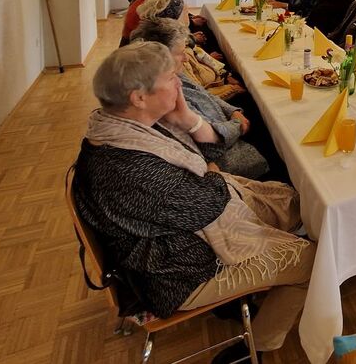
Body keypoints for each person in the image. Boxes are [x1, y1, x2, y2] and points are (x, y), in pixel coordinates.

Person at [72, 43, 314, 357]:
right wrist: (211, 174)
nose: (179, 82)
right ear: (139, 97)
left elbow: (210, 159)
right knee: (310, 260)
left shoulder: (126, 128)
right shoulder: (126, 166)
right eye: (171, 78)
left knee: (292, 203)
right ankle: (254, 348)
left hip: (185, 235)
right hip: (180, 275)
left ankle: (262, 285)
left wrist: (185, 119)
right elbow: (208, 203)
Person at [130, 19, 268, 179]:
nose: (185, 58)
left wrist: (233, 111)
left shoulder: (174, 73)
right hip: (227, 158)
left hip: (226, 127)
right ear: (162, 56)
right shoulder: (165, 96)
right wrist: (238, 124)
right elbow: (212, 144)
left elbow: (205, 93)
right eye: (180, 53)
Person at [138, 0, 244, 101]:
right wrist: (233, 89)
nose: (189, 15)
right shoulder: (176, 53)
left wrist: (226, 75)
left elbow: (205, 59)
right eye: (185, 12)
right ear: (176, 19)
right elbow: (199, 96)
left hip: (219, 79)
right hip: (218, 93)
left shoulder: (182, 40)